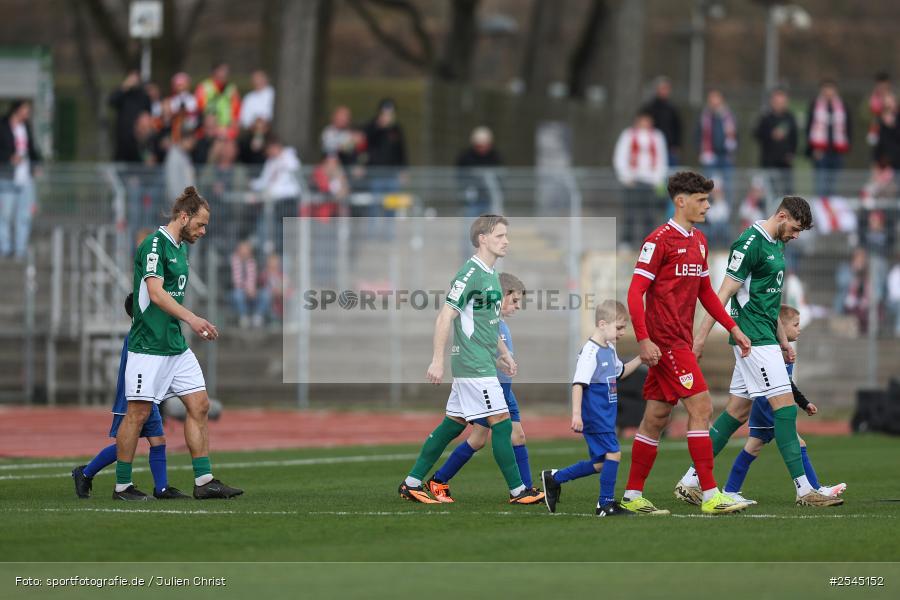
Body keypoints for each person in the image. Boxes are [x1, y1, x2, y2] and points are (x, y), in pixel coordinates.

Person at [677, 196, 840, 507]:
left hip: (765, 337)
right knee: (785, 409)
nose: (796, 235)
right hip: (752, 340)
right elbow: (722, 294)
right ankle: (805, 490)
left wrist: (783, 341)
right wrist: (699, 339)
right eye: (795, 228)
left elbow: (770, 302)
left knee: (737, 412)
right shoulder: (749, 243)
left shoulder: (778, 244)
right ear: (782, 216)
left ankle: (690, 480)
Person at [621, 171, 751, 516]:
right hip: (665, 342)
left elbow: (706, 293)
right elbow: (635, 293)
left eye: (708, 200)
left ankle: (632, 495)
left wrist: (733, 328)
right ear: (681, 201)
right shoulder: (658, 241)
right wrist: (643, 339)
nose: (708, 206)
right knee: (702, 407)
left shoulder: (699, 241)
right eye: (701, 200)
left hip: (680, 340)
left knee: (656, 416)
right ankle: (710, 494)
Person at [398, 215, 542, 505]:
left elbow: (488, 322)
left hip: (481, 362)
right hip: (473, 364)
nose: (506, 241)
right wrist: (437, 360)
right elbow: (445, 316)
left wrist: (503, 353)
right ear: (482, 239)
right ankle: (518, 490)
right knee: (501, 422)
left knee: (453, 424)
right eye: (500, 236)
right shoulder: (470, 274)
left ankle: (411, 483)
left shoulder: (491, 274)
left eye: (506, 235)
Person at [114, 186, 242, 500]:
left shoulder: (180, 248)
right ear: (183, 217)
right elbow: (156, 294)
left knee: (200, 405)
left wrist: (188, 324)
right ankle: (122, 486)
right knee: (138, 414)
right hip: (148, 346)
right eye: (200, 224)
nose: (203, 231)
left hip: (175, 346)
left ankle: (204, 481)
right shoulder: (154, 245)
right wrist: (193, 319)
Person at [426, 272, 543, 502]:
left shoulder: (500, 324)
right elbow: (477, 354)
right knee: (478, 439)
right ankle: (439, 479)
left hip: (505, 391)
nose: (518, 307)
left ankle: (526, 489)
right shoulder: (485, 323)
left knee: (516, 436)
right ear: (502, 295)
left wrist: (504, 363)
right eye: (515, 300)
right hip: (489, 390)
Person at [722, 305, 846, 504]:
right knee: (798, 443)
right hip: (768, 405)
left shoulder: (784, 351)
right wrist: (803, 403)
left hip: (766, 405)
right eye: (795, 325)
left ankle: (730, 490)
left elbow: (786, 384)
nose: (799, 329)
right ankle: (815, 489)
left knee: (752, 448)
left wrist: (803, 403)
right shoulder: (772, 352)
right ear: (779, 326)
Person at [71, 293, 189, 500]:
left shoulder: (149, 333)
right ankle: (87, 473)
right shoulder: (137, 334)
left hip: (147, 396)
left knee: (158, 440)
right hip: (132, 397)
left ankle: (162, 488)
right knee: (126, 442)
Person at [541, 300, 643, 517]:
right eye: (619, 327)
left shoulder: (610, 348)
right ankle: (605, 504)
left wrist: (641, 359)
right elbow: (578, 384)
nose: (623, 332)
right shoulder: (590, 352)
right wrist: (576, 414)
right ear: (603, 324)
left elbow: (620, 373)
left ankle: (554, 478)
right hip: (595, 415)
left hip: (606, 415)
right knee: (614, 453)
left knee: (601, 464)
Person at [613, 111, 668, 246]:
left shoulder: (657, 136)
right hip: (633, 180)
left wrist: (658, 179)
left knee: (649, 214)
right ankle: (627, 241)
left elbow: (662, 158)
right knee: (630, 213)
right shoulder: (628, 135)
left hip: (650, 181)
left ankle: (648, 243)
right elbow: (620, 156)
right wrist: (625, 176)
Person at [0, 100, 41, 259]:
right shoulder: (3, 126)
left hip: (25, 178)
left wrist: (36, 165)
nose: (27, 114)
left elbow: (32, 150)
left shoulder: (26, 128)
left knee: (25, 215)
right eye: (25, 110)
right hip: (7, 177)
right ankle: (5, 247)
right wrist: (9, 158)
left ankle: (20, 249)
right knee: (5, 215)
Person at [806, 79, 852, 198]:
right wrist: (813, 149)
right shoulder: (815, 105)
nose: (828, 92)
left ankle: (831, 209)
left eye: (831, 89)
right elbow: (809, 127)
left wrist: (846, 147)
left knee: (834, 187)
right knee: (820, 186)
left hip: (837, 152)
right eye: (826, 89)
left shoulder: (843, 106)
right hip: (820, 152)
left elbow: (848, 128)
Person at [754, 88, 798, 197]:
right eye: (777, 102)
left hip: (785, 163)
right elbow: (757, 134)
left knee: (788, 193)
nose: (779, 104)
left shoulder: (790, 118)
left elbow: (795, 138)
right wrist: (770, 134)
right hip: (769, 162)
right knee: (770, 193)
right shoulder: (766, 118)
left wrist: (791, 153)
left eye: (782, 102)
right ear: (772, 102)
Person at [696, 89, 737, 204]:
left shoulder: (729, 117)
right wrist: (700, 151)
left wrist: (733, 150)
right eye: (712, 99)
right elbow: (698, 135)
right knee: (708, 186)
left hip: (726, 156)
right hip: (709, 156)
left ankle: (727, 211)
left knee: (728, 187)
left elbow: (735, 136)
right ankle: (707, 211)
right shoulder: (704, 117)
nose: (714, 102)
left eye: (716, 98)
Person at [456, 126, 503, 218]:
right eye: (479, 146)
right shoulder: (466, 157)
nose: (481, 148)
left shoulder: (495, 157)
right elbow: (459, 176)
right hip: (471, 200)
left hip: (490, 199)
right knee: (470, 218)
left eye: (484, 145)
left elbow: (500, 177)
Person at [109, 71, 152, 162]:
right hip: (122, 138)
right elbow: (111, 101)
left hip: (138, 139)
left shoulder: (143, 96)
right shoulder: (123, 94)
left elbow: (148, 115)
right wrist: (125, 87)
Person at [641, 76, 682, 165]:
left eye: (666, 89)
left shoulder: (673, 108)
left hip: (669, 148)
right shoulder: (649, 108)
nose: (664, 91)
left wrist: (676, 145)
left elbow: (678, 128)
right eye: (662, 88)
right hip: (653, 148)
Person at [195, 62, 241, 139]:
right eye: (222, 71)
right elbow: (200, 108)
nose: (225, 74)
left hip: (227, 129)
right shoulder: (204, 87)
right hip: (208, 129)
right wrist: (211, 125)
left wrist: (234, 124)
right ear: (215, 72)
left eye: (227, 71)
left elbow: (237, 109)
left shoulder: (232, 88)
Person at [230, 239, 268, 328]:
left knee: (266, 294)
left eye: (246, 250)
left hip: (252, 291)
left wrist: (252, 290)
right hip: (238, 290)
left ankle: (258, 316)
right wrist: (247, 289)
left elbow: (254, 279)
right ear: (238, 251)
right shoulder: (234, 260)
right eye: (242, 250)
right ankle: (244, 317)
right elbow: (237, 282)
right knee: (237, 294)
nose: (244, 252)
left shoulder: (252, 262)